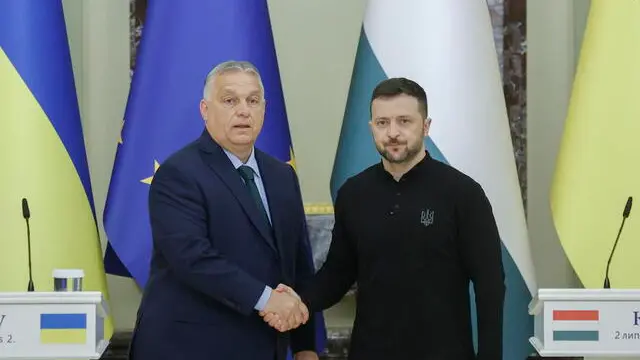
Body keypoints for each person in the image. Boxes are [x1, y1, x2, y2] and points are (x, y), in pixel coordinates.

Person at [264, 77, 505, 359]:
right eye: (382, 123)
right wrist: (297, 301)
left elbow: (490, 286)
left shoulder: (463, 194)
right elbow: (337, 275)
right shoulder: (353, 193)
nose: (393, 132)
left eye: (404, 121)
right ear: (371, 128)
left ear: (425, 126)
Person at [128, 60, 319, 360]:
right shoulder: (179, 173)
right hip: (189, 347)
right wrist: (268, 299)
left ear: (264, 110)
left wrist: (306, 346)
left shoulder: (282, 176)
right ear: (205, 110)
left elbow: (298, 264)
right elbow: (192, 257)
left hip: (264, 347)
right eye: (230, 100)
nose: (243, 110)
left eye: (252, 101)